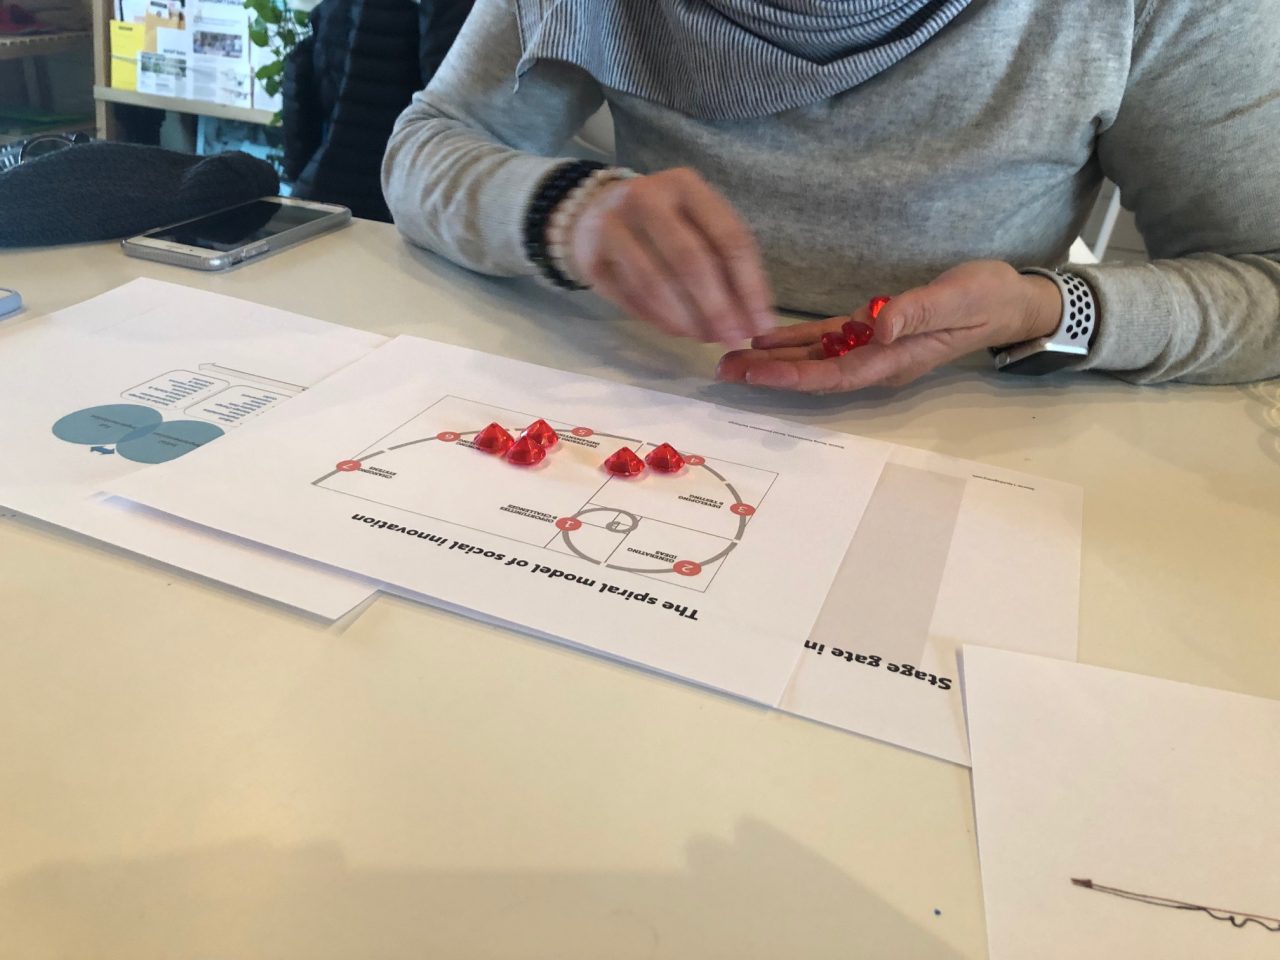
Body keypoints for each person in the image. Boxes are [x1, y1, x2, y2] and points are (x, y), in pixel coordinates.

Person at [382, 0, 1280, 392]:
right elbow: (428, 146)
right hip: (656, 394)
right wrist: (564, 211)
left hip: (978, 446)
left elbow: (1264, 280)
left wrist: (1048, 309)